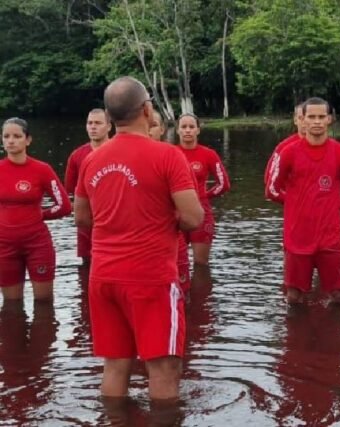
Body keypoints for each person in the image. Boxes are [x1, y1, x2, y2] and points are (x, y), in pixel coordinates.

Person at [73, 76, 203, 402]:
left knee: (116, 365)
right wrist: (161, 219)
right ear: (147, 110)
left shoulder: (90, 159)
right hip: (151, 278)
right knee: (163, 367)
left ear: (109, 115)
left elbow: (81, 219)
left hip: (103, 276)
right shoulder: (168, 156)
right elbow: (192, 217)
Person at [265, 97, 340, 305]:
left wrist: (332, 207)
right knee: (294, 298)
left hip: (330, 239)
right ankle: (298, 336)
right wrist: (296, 204)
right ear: (303, 120)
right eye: (312, 117)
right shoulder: (288, 153)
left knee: (338, 297)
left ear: (330, 119)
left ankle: (332, 336)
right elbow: (272, 190)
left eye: (321, 117)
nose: (317, 121)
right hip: (297, 237)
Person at [0, 118, 71, 302]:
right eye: (6, 136)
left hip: (37, 244)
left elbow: (64, 206)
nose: (10, 141)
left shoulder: (42, 170)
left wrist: (41, 215)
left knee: (44, 303)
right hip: (4, 246)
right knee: (11, 305)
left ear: (28, 139)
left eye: (17, 136)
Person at [176, 114, 231, 266]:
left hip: (201, 212)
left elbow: (224, 184)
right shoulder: (170, 153)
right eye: (184, 127)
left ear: (198, 130)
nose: (187, 131)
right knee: (177, 263)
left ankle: (203, 290)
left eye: (191, 127)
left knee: (201, 263)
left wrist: (204, 196)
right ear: (177, 130)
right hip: (176, 214)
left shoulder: (208, 154)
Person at [149, 110, 192, 294]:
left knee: (181, 296)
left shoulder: (174, 158)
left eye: (153, 126)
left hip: (171, 241)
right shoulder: (123, 158)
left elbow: (192, 215)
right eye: (147, 125)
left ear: (162, 129)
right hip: (140, 247)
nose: (149, 130)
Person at [64, 109, 112, 265]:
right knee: (88, 263)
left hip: (113, 218)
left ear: (109, 126)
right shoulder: (77, 156)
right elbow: (70, 191)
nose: (93, 127)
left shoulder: (118, 151)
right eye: (90, 123)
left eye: (98, 123)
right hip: (87, 221)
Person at [264, 103, 306, 187]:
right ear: (295, 120)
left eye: (309, 117)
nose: (305, 122)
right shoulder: (283, 147)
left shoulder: (330, 147)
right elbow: (268, 179)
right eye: (301, 118)